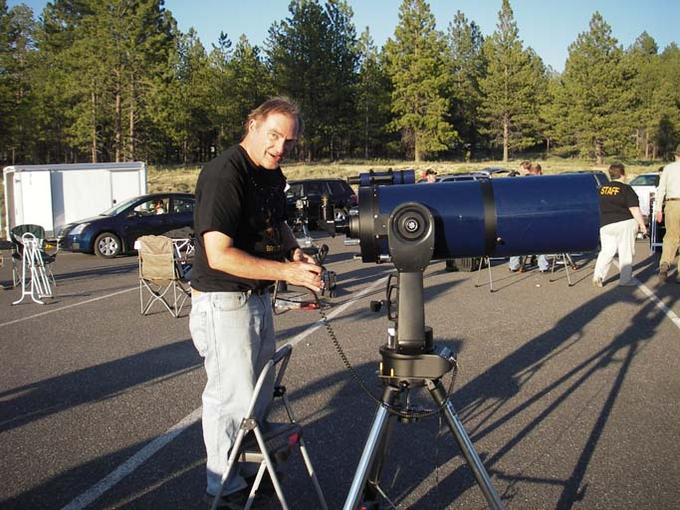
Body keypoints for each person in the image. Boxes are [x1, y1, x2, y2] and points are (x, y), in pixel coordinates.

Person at [189, 97, 322, 508]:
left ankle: (247, 469)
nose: (281, 147)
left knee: (257, 394)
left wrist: (294, 252)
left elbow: (275, 223)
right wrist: (287, 273)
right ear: (253, 124)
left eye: (289, 141)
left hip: (257, 297)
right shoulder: (224, 173)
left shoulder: (271, 173)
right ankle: (223, 487)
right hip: (223, 300)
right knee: (230, 396)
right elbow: (219, 254)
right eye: (274, 135)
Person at [592, 163, 647, 287]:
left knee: (606, 251)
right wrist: (642, 225)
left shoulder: (602, 189)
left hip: (606, 223)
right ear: (623, 174)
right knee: (626, 251)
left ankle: (598, 276)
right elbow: (634, 208)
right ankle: (625, 279)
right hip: (624, 222)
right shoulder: (626, 189)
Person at [508, 163, 550, 273]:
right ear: (539, 172)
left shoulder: (519, 182)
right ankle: (543, 266)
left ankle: (514, 265)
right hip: (538, 214)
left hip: (521, 215)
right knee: (541, 241)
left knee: (519, 241)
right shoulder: (542, 183)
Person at [654, 145, 680, 283]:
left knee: (670, 237)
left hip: (672, 203)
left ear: (676, 155)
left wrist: (658, 209)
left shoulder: (668, 168)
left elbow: (661, 189)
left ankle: (665, 263)